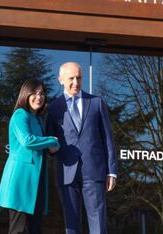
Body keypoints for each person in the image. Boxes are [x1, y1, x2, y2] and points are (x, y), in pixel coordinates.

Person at [47, 62, 117, 234]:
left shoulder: (97, 103)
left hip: (94, 172)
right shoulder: (53, 108)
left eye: (79, 78)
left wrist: (112, 171)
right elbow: (49, 140)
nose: (76, 83)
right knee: (71, 225)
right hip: (66, 172)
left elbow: (108, 139)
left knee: (98, 224)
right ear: (61, 80)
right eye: (71, 78)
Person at [0, 79, 60, 234]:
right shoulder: (20, 114)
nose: (39, 97)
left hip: (36, 182)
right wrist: (52, 140)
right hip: (21, 182)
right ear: (25, 94)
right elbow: (27, 141)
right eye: (34, 93)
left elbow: (46, 147)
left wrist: (51, 146)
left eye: (42, 93)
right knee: (19, 230)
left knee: (34, 229)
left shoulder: (37, 119)